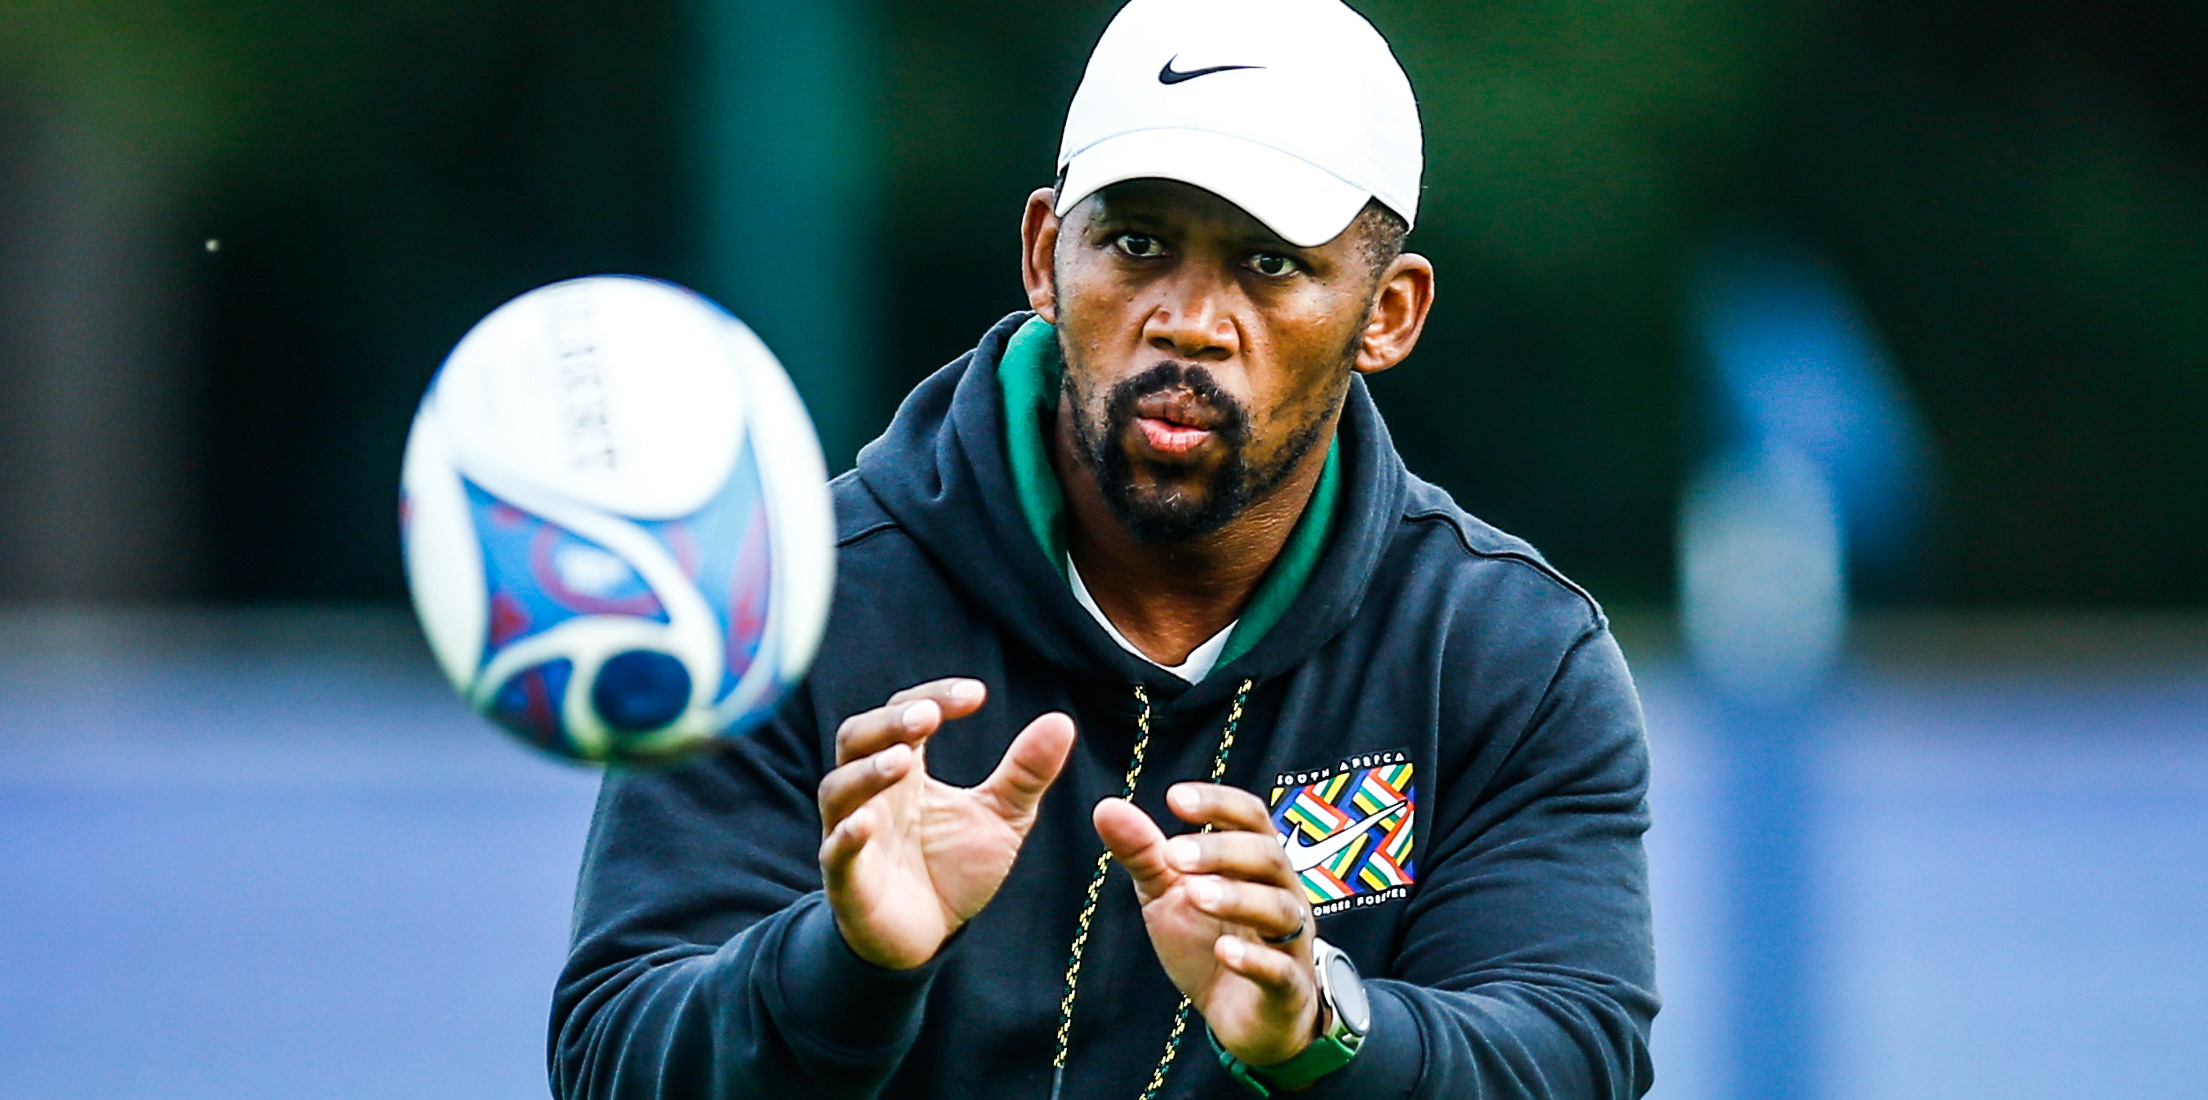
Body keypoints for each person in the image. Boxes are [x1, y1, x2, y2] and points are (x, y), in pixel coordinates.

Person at [551, 0, 1657, 1097]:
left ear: (1388, 314)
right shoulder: (780, 600)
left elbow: (1572, 1051)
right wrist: (841, 966)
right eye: (1138, 244)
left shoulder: (1507, 654)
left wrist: (1322, 1027)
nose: (1190, 321)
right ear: (1045, 256)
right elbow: (612, 1055)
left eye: (1270, 264)